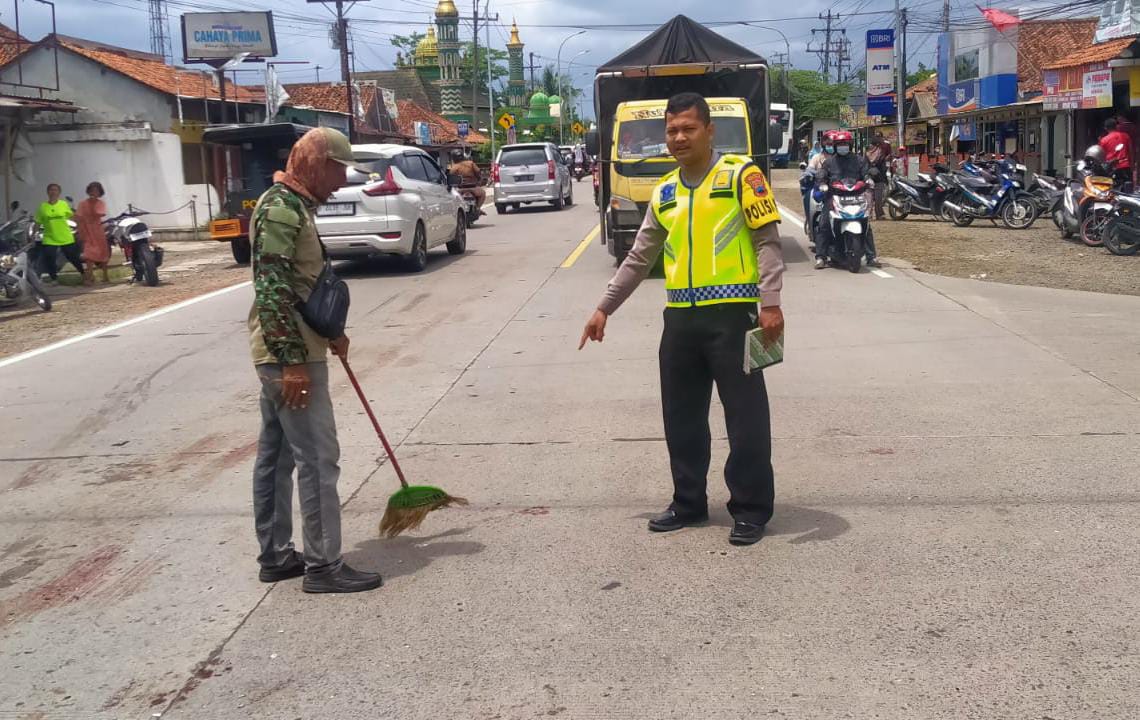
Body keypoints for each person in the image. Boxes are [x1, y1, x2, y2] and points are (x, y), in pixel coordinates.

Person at [579, 92, 785, 546]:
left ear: (709, 130)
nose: (678, 137)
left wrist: (770, 303)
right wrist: (603, 308)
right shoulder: (666, 191)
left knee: (746, 419)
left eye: (688, 128)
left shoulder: (741, 176)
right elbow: (638, 257)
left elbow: (767, 242)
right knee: (682, 418)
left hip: (733, 317)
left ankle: (750, 508)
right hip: (681, 322)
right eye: (672, 130)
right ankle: (688, 502)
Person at [248, 127, 382, 594]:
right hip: (290, 355)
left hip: (296, 348)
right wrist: (292, 363)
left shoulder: (294, 206)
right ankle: (323, 565)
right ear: (317, 162)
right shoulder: (281, 209)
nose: (343, 179)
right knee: (318, 459)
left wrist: (334, 332)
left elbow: (304, 284)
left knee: (278, 456)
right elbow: (273, 289)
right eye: (339, 168)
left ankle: (277, 554)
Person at [815, 130, 881, 269]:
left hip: (856, 197)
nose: (842, 146)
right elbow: (822, 173)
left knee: (866, 224)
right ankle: (821, 257)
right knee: (824, 224)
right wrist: (822, 183)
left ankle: (871, 257)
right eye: (839, 144)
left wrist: (869, 178)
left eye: (845, 143)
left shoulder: (860, 160)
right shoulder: (829, 162)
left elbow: (866, 172)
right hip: (835, 196)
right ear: (835, 146)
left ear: (850, 145)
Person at [34, 183, 86, 285]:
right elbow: (38, 222)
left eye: (55, 190)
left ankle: (84, 274)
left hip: (65, 236)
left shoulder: (63, 204)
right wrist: (32, 235)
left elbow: (72, 217)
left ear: (59, 192)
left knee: (72, 257)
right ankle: (54, 279)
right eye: (51, 190)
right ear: (47, 192)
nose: (53, 192)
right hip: (49, 237)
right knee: (50, 258)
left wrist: (81, 226)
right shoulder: (43, 207)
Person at [76, 181, 111, 284]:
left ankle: (105, 275)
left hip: (98, 231)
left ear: (100, 192)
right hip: (86, 231)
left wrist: (94, 203)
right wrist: (79, 231)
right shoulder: (82, 203)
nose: (93, 192)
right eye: (92, 190)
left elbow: (100, 213)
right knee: (88, 255)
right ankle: (90, 276)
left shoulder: (101, 203)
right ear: (88, 191)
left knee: (103, 253)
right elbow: (78, 216)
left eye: (96, 191)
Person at [864, 131, 893, 220]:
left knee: (878, 198)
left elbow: (888, 158)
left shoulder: (883, 149)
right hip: (870, 176)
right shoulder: (869, 150)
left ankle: (878, 214)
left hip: (879, 175)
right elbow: (864, 164)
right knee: (869, 197)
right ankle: (870, 214)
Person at [1099, 117, 1133, 189]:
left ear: (1105, 128)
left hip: (1112, 169)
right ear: (1116, 126)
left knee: (1113, 191)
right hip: (1126, 167)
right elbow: (1131, 152)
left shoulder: (1103, 140)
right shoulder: (1126, 136)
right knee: (1129, 190)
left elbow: (1101, 156)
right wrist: (1132, 165)